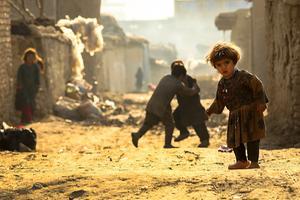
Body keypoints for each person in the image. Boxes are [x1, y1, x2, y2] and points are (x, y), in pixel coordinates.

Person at [205, 42, 268, 169]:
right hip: (234, 115)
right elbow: (219, 101)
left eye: (226, 62)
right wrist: (208, 112)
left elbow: (258, 85)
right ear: (215, 67)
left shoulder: (244, 77)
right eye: (219, 65)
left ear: (234, 62)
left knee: (252, 137)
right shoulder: (222, 84)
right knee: (234, 139)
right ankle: (241, 161)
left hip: (250, 112)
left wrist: (261, 102)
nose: (223, 67)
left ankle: (254, 161)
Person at [131, 60, 200, 148]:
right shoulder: (178, 84)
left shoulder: (166, 77)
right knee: (170, 124)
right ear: (181, 75)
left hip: (152, 104)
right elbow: (189, 92)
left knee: (148, 124)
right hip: (162, 107)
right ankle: (167, 144)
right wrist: (195, 87)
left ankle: (137, 135)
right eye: (184, 76)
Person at [173, 73, 210, 147]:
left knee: (198, 123)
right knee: (176, 115)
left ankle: (205, 140)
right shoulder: (177, 81)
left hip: (194, 105)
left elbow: (196, 89)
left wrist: (192, 91)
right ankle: (184, 132)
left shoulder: (189, 79)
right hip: (184, 106)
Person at [15, 48, 41, 124]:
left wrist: (37, 87)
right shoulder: (22, 67)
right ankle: (27, 120)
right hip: (24, 89)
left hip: (32, 89)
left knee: (32, 104)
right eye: (29, 56)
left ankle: (27, 120)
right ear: (26, 57)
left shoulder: (35, 67)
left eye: (32, 57)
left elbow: (37, 79)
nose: (30, 58)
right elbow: (19, 78)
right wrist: (20, 86)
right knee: (26, 103)